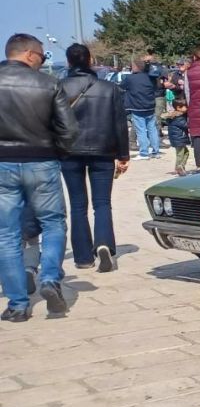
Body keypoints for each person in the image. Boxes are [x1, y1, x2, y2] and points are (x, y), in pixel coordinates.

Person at [0, 33, 76, 320]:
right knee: (54, 223)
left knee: (6, 235)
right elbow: (68, 129)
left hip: (2, 164)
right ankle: (49, 278)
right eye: (43, 56)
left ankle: (18, 304)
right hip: (42, 160)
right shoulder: (48, 83)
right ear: (30, 54)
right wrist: (60, 153)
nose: (43, 60)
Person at [57, 42, 128, 273]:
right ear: (90, 60)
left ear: (68, 62)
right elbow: (120, 123)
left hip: (70, 152)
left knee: (78, 205)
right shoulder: (109, 88)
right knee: (102, 203)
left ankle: (83, 256)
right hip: (103, 150)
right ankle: (105, 244)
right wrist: (123, 155)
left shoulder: (59, 87)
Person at [120, 51, 161, 159]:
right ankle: (156, 151)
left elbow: (120, 87)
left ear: (136, 67)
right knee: (152, 128)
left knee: (141, 130)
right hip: (150, 106)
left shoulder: (130, 79)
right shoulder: (150, 78)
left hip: (137, 107)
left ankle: (144, 152)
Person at [166, 99, 191, 175]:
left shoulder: (174, 116)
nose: (187, 108)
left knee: (186, 152)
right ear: (178, 108)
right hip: (179, 138)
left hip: (178, 138)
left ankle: (180, 167)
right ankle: (179, 167)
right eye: (185, 106)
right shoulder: (178, 117)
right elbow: (186, 125)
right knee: (180, 154)